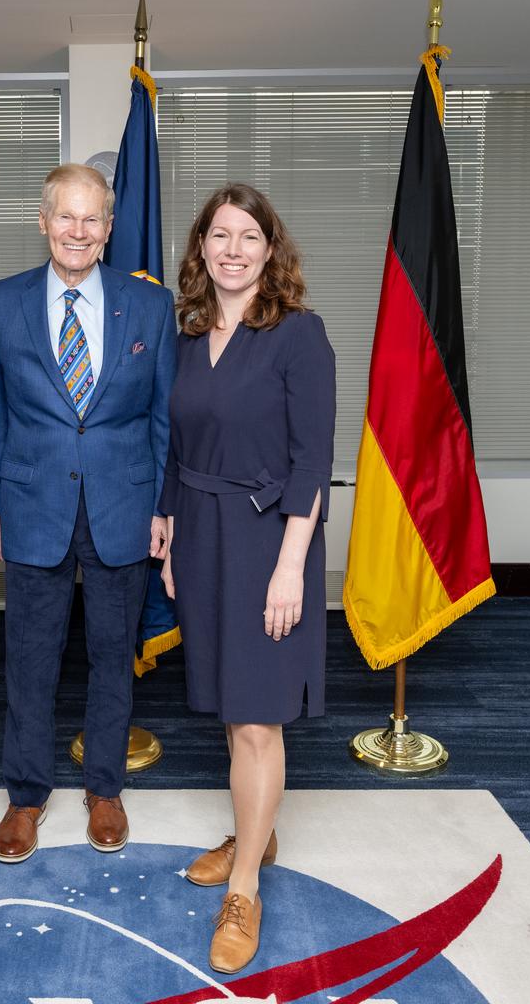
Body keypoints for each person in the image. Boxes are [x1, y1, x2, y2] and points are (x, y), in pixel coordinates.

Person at [0, 163, 176, 862]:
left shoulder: (149, 307)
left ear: (110, 228)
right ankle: (26, 797)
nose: (79, 231)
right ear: (43, 221)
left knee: (114, 658)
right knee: (29, 660)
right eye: (66, 216)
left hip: (123, 504)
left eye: (93, 219)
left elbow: (162, 417)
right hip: (31, 506)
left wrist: (161, 508)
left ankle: (104, 788)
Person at [158, 184, 335, 973]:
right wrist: (166, 530)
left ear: (271, 250)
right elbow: (175, 442)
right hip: (200, 537)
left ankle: (247, 886)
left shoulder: (300, 335)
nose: (233, 249)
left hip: (268, 543)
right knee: (234, 711)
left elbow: (313, 462)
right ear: (201, 249)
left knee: (260, 718)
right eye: (218, 236)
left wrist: (292, 566)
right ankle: (254, 826)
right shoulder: (190, 335)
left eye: (248, 237)